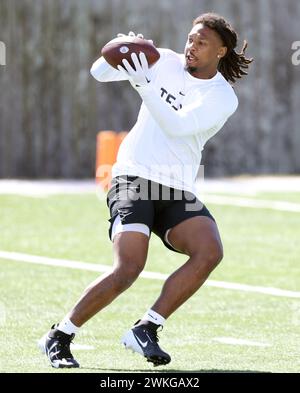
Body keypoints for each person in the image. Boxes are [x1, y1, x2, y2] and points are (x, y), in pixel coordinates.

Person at [38, 12, 253, 368]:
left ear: (221, 51)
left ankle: (147, 327)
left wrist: (143, 85)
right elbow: (98, 73)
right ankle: (59, 335)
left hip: (176, 185)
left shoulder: (223, 98)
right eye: (190, 39)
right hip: (133, 178)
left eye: (202, 43)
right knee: (129, 267)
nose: (191, 47)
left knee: (209, 250)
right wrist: (120, 50)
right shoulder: (163, 60)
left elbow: (179, 127)